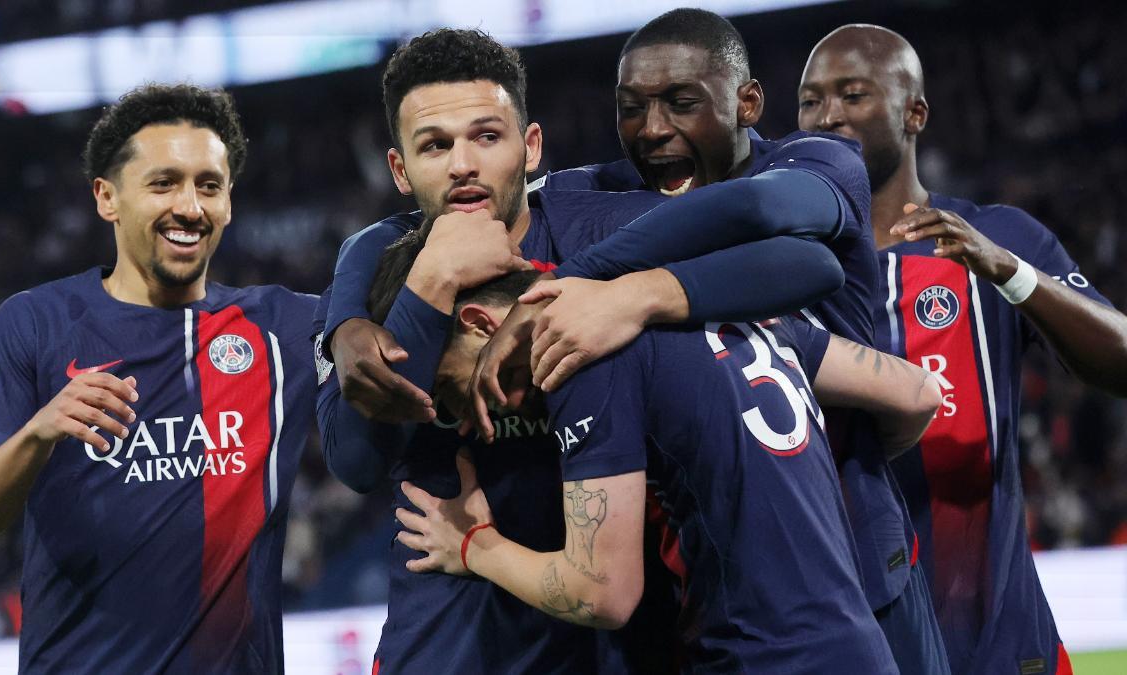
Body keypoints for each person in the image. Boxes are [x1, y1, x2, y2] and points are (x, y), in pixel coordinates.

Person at [315, 28, 852, 673]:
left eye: (487, 136)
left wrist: (641, 294)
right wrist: (428, 285)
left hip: (612, 643)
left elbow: (810, 265)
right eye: (435, 146)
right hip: (446, 650)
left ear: (531, 146)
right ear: (399, 169)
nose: (463, 165)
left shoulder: (601, 227)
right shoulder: (380, 271)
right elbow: (357, 461)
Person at [448, 9, 947, 672]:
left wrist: (621, 289)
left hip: (864, 572)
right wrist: (345, 319)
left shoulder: (818, 160)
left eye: (682, 103)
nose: (654, 130)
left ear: (747, 103)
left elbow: (765, 217)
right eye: (632, 108)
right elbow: (442, 216)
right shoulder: (606, 196)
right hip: (706, 591)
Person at [366, 235, 941, 673]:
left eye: (449, 390)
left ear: (477, 322)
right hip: (858, 646)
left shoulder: (580, 356)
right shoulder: (731, 309)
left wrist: (474, 546)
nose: (470, 416)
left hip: (757, 656)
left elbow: (603, 593)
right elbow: (917, 394)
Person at [0, 84, 320, 673]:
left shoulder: (285, 329)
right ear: (107, 197)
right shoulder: (37, 323)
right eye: (163, 182)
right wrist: (40, 432)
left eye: (209, 185)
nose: (190, 207)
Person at [798, 24, 1127, 675]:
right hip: (850, 647)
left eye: (853, 94)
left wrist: (1012, 274)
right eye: (810, 101)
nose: (827, 116)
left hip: (1002, 647)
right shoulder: (782, 267)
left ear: (913, 112)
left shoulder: (996, 237)